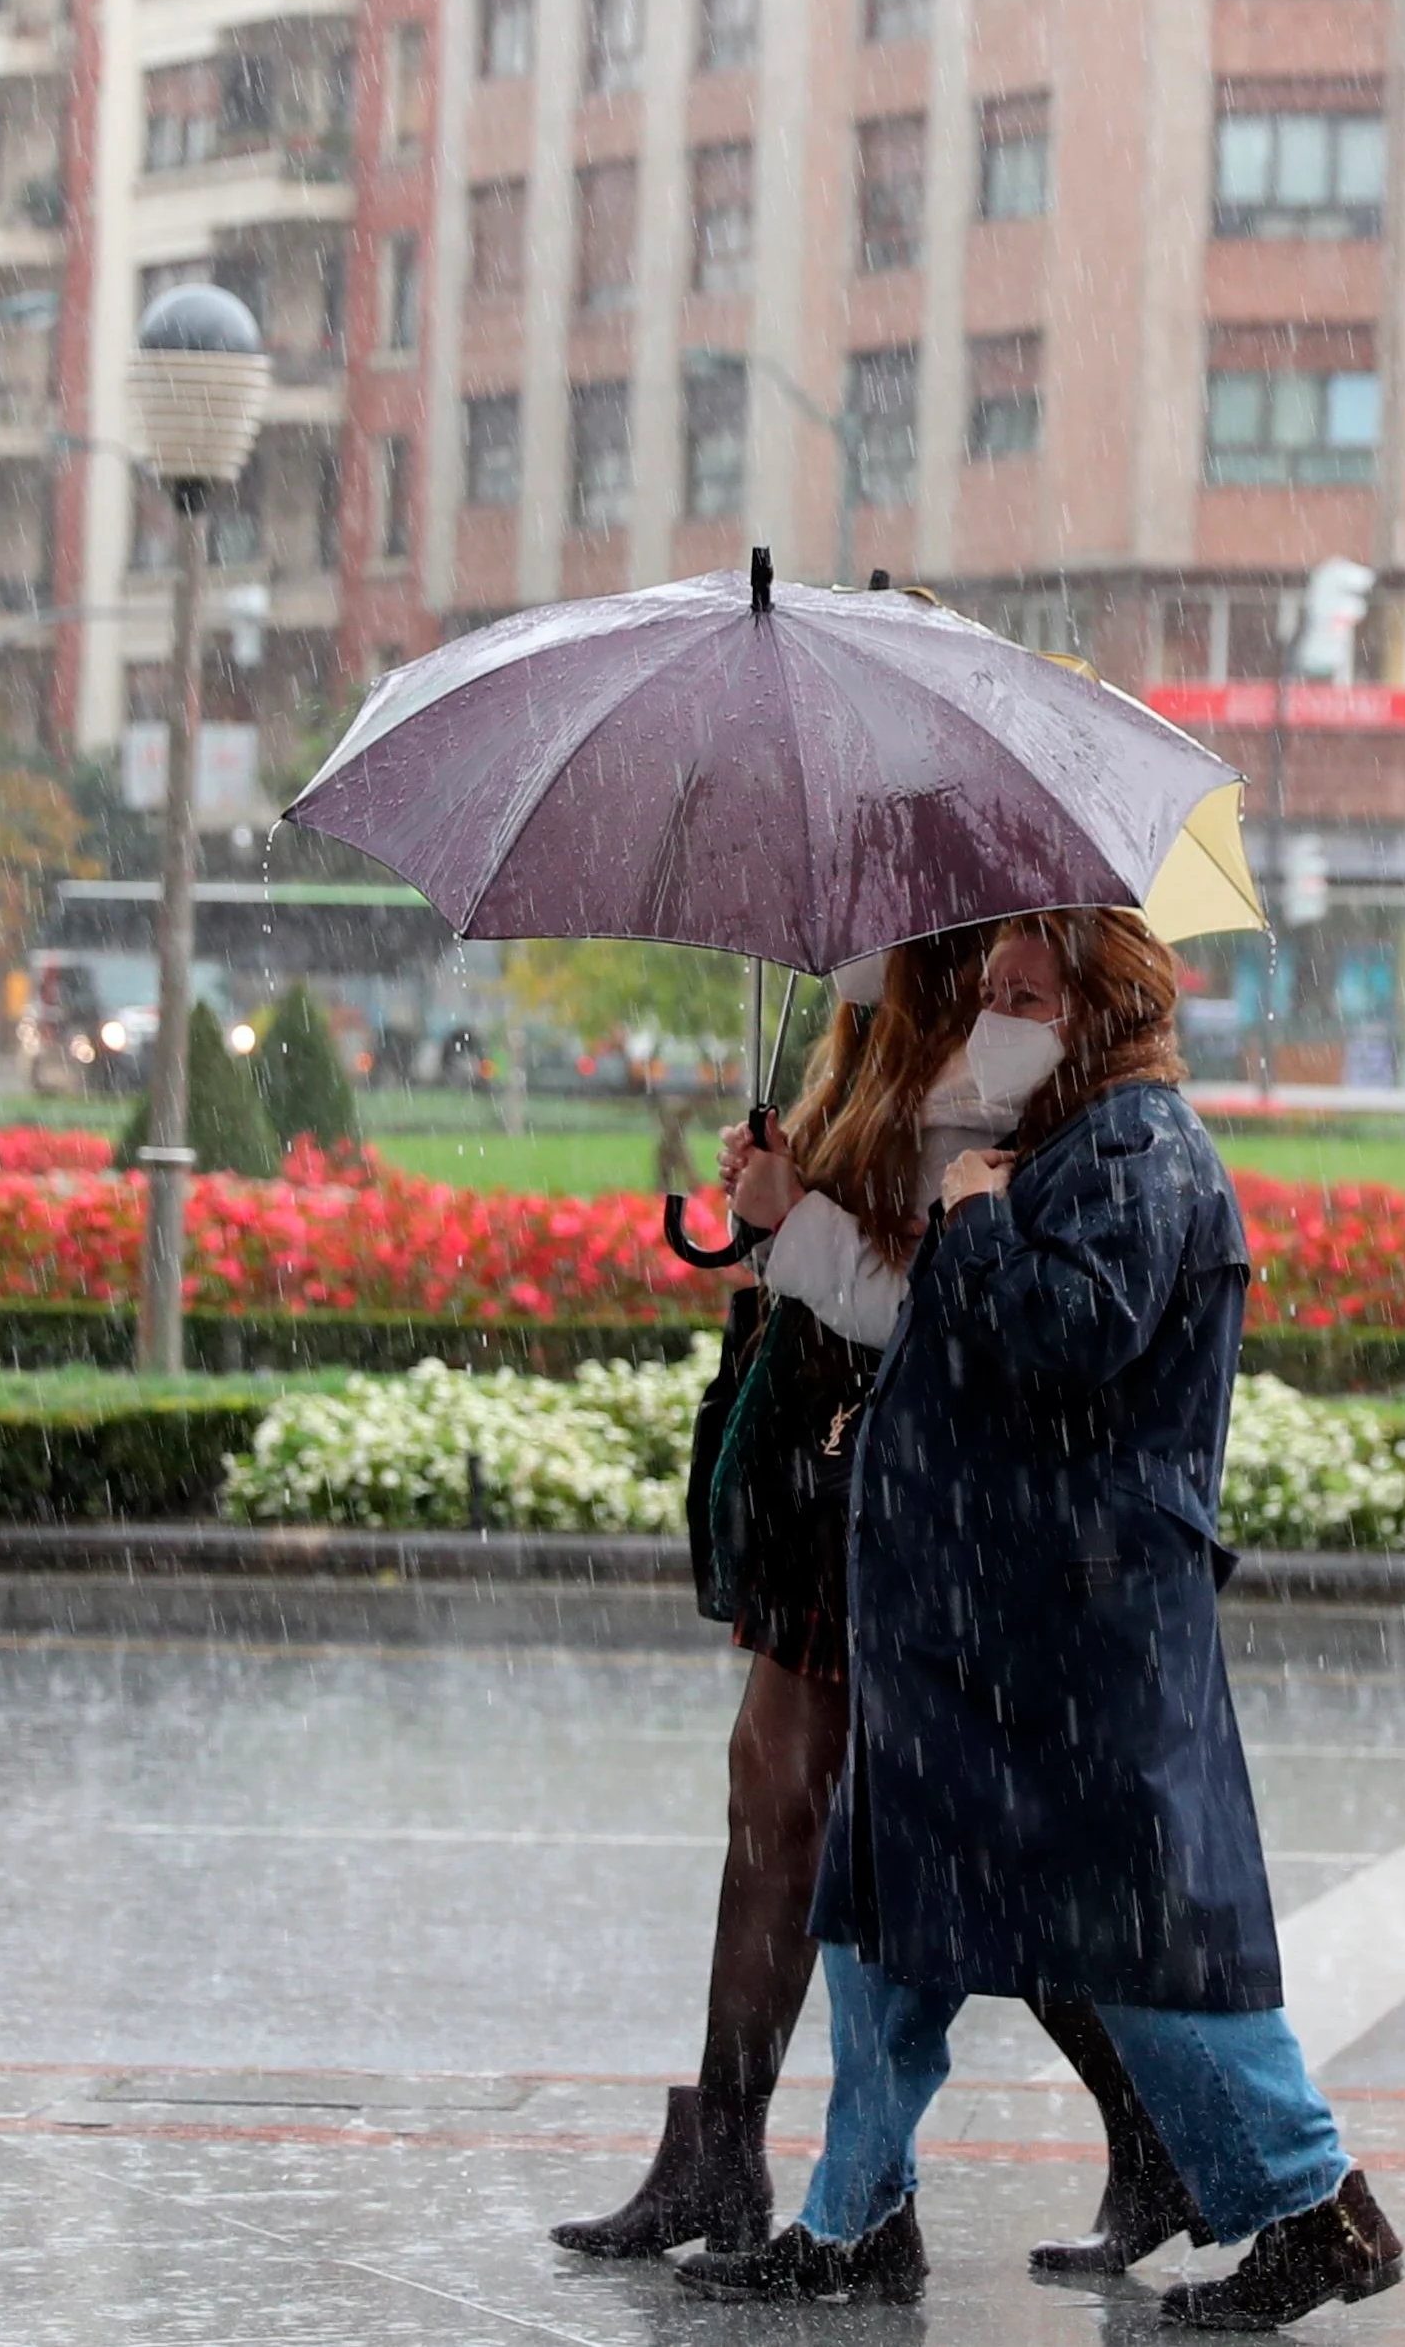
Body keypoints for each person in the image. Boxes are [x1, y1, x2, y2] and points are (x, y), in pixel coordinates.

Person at [682, 910, 1402, 2329]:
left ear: (1100, 1010)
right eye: (990, 987)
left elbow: (1064, 1344)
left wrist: (977, 1221)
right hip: (973, 1629)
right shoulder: (1063, 1146)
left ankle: (1316, 2207)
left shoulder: (1135, 1149)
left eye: (1023, 993)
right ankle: (851, 2218)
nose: (989, 1010)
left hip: (1062, 1635)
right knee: (878, 1928)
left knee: (1146, 1957)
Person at [548, 927, 1202, 2272]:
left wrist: (807, 1221)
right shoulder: (865, 1039)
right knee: (781, 1808)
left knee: (951, 1852)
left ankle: (1131, 2144)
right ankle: (731, 2152)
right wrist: (775, 1187)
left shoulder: (995, 1062)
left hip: (909, 1495)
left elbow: (940, 1304)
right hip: (825, 1479)